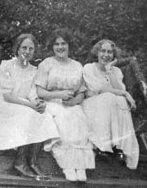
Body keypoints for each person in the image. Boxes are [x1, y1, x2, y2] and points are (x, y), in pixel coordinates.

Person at [0, 34, 59, 179]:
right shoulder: (6, 65)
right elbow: (7, 96)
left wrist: (37, 103)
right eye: (24, 47)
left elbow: (32, 94)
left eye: (31, 49)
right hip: (4, 104)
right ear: (17, 49)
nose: (27, 51)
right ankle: (20, 162)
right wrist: (30, 105)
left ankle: (32, 162)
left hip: (24, 104)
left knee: (44, 115)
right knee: (27, 113)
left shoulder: (34, 71)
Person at [35, 28, 95, 182]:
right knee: (63, 118)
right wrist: (58, 95)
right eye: (56, 44)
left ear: (69, 46)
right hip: (51, 102)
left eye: (63, 43)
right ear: (52, 47)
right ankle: (67, 166)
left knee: (79, 118)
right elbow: (40, 91)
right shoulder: (46, 64)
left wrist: (75, 101)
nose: (60, 47)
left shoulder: (77, 66)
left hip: (71, 103)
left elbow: (82, 91)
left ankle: (80, 167)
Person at [82, 39, 140, 169]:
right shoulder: (89, 68)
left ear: (113, 55)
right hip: (92, 105)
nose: (106, 55)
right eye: (103, 51)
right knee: (109, 97)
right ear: (97, 52)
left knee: (119, 100)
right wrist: (125, 94)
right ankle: (101, 145)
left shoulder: (116, 71)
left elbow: (119, 90)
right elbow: (100, 89)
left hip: (109, 105)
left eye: (109, 52)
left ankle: (119, 146)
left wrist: (109, 71)